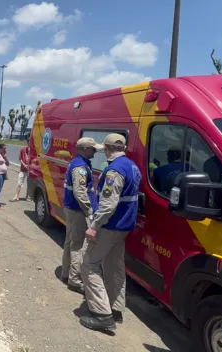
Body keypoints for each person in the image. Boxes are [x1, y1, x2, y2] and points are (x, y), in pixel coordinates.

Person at [80, 133, 142, 331]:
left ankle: (101, 314)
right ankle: (115, 309)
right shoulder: (133, 166)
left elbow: (108, 205)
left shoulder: (114, 171)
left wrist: (94, 226)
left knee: (88, 264)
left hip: (109, 227)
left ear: (106, 149)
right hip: (123, 227)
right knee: (114, 267)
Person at [61, 137, 100, 295]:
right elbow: (80, 192)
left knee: (70, 242)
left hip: (72, 209)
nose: (95, 151)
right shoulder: (80, 168)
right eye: (92, 149)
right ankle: (75, 281)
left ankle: (66, 273)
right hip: (78, 211)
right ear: (85, 149)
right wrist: (89, 211)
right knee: (77, 245)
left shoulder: (78, 163)